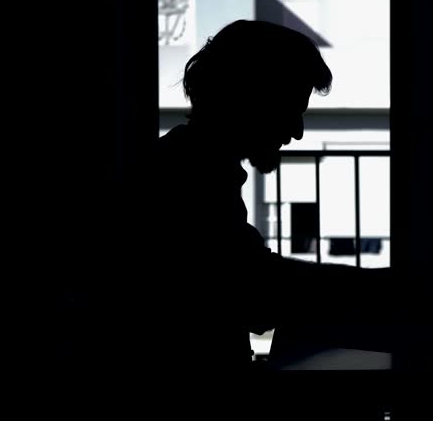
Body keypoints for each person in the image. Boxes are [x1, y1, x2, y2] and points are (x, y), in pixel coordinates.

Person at [143, 20, 400, 378]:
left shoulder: (185, 163)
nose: (296, 131)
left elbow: (255, 283)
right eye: (291, 108)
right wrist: (386, 287)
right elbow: (258, 291)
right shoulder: (188, 176)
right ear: (250, 99)